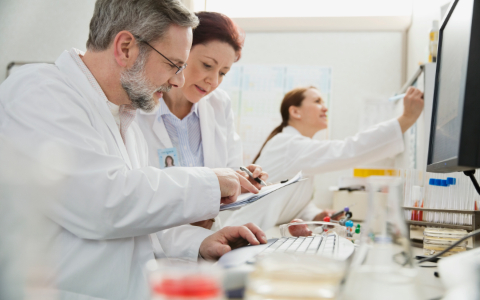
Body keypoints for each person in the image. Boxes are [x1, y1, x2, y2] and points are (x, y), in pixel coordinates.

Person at [0, 1, 267, 299]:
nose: (178, 80)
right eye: (174, 65)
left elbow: (136, 222)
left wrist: (200, 243)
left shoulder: (123, 114)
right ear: (126, 48)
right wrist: (211, 181)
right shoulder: (40, 92)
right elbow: (103, 203)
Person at [224, 86, 424, 230]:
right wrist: (405, 119)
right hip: (237, 236)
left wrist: (316, 215)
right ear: (295, 112)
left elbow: (290, 197)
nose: (325, 108)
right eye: (317, 101)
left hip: (252, 235)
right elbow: (349, 150)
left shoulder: (295, 148)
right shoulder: (288, 144)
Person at [136, 11, 268, 231]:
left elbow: (228, 172)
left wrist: (243, 180)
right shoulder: (139, 108)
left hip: (208, 238)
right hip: (155, 242)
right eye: (207, 65)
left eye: (223, 72)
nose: (213, 81)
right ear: (182, 52)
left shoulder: (219, 104)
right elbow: (138, 193)